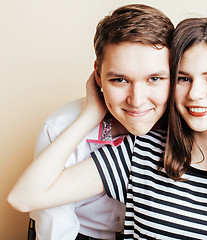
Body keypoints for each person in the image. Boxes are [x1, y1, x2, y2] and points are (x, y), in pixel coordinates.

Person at [8, 17, 207, 240]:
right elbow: (23, 198)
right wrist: (91, 113)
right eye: (183, 78)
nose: (195, 93)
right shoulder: (142, 152)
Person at [23, 4, 174, 240]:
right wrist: (90, 116)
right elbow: (55, 224)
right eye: (120, 80)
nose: (137, 100)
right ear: (98, 75)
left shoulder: (182, 126)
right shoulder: (60, 127)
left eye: (154, 78)